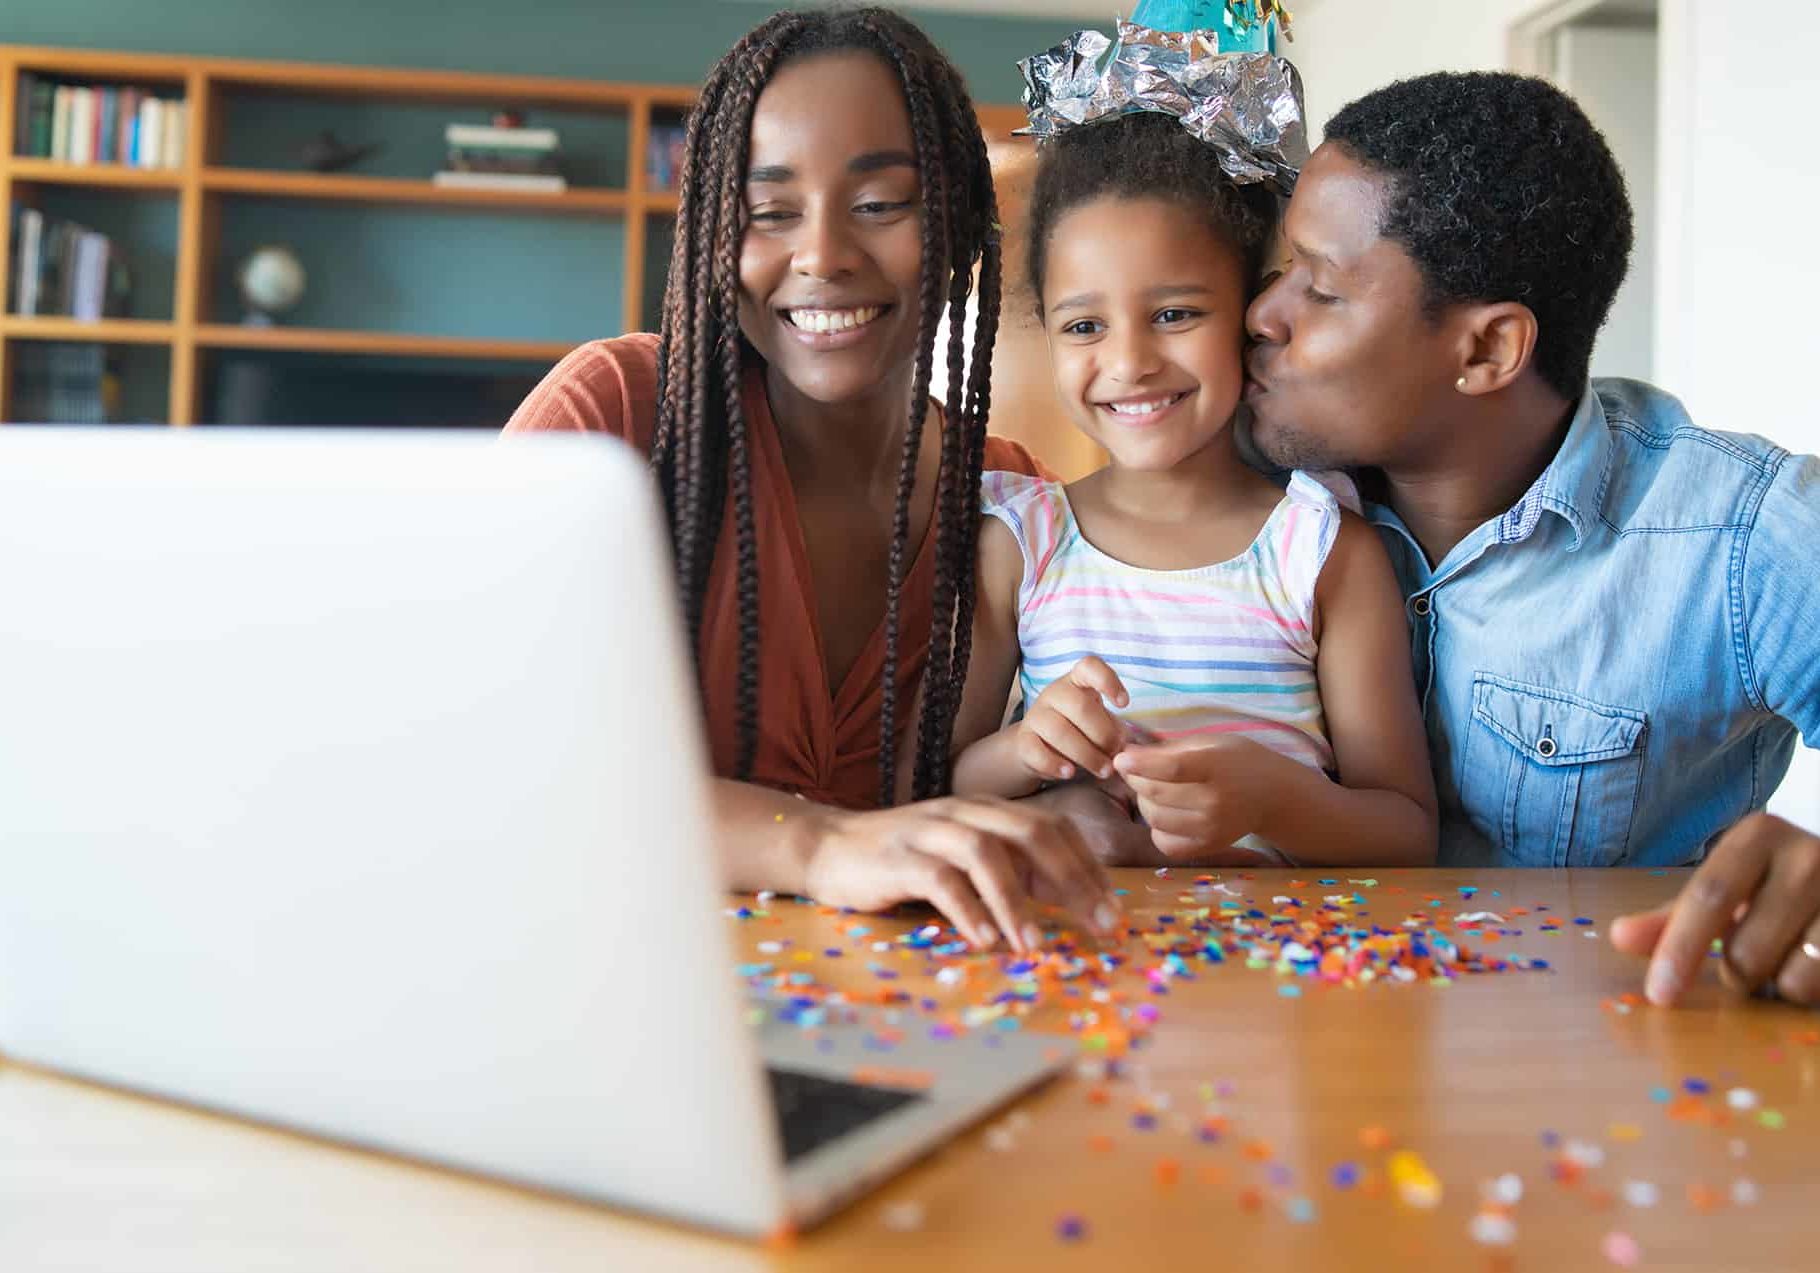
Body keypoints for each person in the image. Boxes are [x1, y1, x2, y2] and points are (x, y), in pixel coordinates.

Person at [505, 8, 1120, 953]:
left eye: (881, 204)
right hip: (602, 994)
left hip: (911, 1022)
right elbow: (487, 760)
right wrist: (820, 844)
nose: (824, 255)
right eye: (767, 211)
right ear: (717, 233)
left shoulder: (1009, 504)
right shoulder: (618, 418)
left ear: (960, 227)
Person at [1236, 70, 1820, 1004]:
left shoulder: (1735, 533)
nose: (1263, 316)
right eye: (1281, 269)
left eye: (1324, 290)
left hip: (1600, 1095)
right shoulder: (1246, 492)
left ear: (1486, 350)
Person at [947, 109, 1436, 868]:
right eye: (1084, 327)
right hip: (1082, 973)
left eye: (1174, 314)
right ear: (1044, 330)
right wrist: (1025, 750)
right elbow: (944, 791)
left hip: (1285, 975)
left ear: (1250, 312)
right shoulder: (1019, 543)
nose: (1131, 361)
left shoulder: (1322, 549)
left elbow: (1406, 831)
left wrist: (1272, 798)